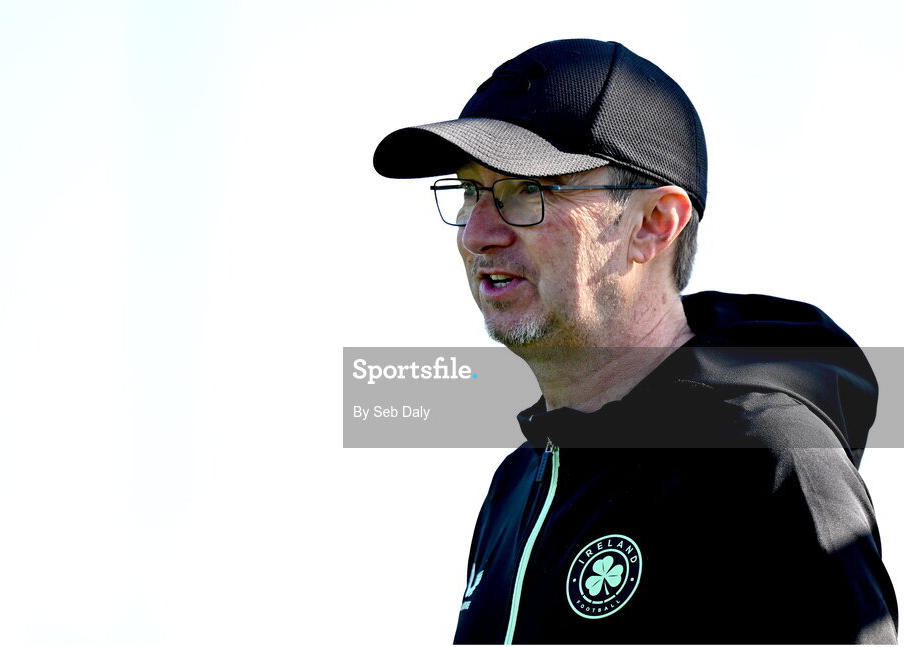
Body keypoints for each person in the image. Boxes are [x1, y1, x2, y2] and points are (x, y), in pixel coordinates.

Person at [372, 39, 897, 644]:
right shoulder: (515, 485)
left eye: (527, 189)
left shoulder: (768, 459)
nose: (477, 233)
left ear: (652, 224)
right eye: (469, 191)